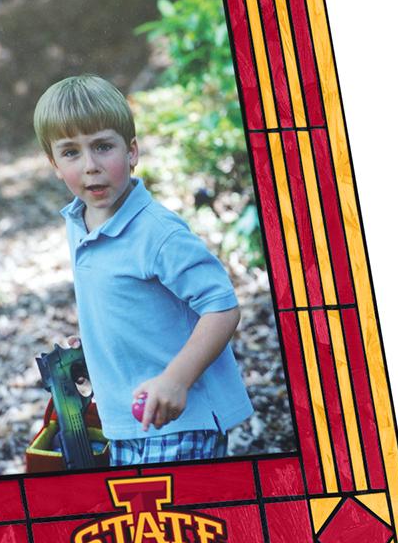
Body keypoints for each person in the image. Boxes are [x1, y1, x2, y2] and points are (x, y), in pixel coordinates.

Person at [32, 74, 253, 466]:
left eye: (103, 147)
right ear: (54, 165)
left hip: (180, 420)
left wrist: (177, 379)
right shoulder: (80, 221)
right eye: (71, 152)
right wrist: (97, 340)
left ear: (132, 151)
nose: (90, 166)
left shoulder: (158, 232)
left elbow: (222, 308)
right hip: (124, 420)